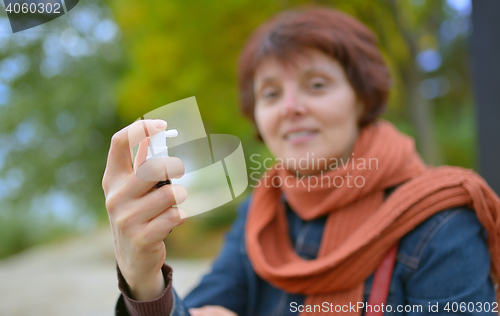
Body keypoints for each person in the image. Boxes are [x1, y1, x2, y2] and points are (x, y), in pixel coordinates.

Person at [102, 7, 500, 316]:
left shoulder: (443, 223)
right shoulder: (262, 212)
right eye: (271, 94)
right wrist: (142, 277)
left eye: (316, 85)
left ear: (361, 98)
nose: (290, 107)